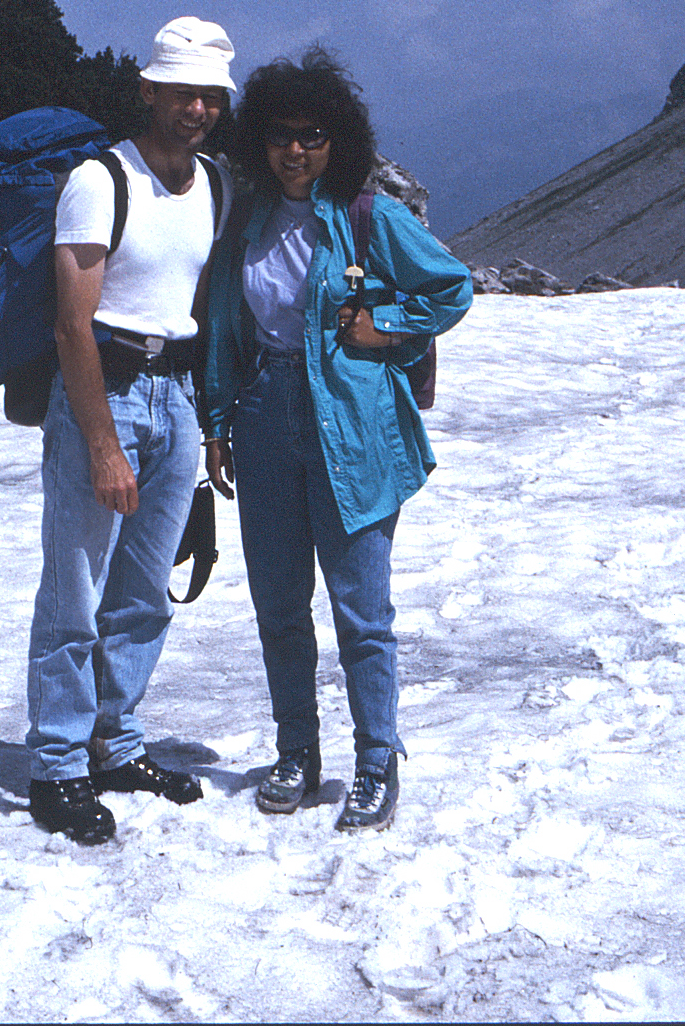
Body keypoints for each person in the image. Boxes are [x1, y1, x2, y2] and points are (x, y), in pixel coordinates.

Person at [202, 49, 472, 832]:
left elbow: (450, 286)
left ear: (337, 141)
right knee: (280, 603)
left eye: (313, 135)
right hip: (263, 417)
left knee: (361, 610)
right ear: (259, 139)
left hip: (352, 425)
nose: (295, 149)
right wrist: (217, 422)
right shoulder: (245, 219)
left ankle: (376, 759)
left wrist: (385, 325)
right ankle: (298, 750)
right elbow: (225, 326)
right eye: (282, 135)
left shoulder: (365, 214)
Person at [26, 17, 235, 845]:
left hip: (176, 393)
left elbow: (204, 308)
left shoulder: (213, 184)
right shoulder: (99, 181)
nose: (195, 109)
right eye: (181, 93)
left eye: (209, 96)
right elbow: (74, 326)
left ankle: (116, 743)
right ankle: (56, 765)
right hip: (104, 393)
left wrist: (207, 422)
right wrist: (103, 442)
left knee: (146, 588)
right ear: (147, 90)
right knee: (76, 589)